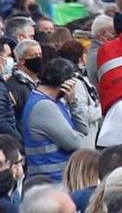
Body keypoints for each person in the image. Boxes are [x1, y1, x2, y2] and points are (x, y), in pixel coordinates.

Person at [19, 58, 97, 186]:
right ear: (66, 84)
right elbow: (75, 143)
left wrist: (73, 103)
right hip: (50, 182)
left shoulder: (54, 102)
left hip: (57, 179)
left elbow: (84, 130)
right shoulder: (44, 107)